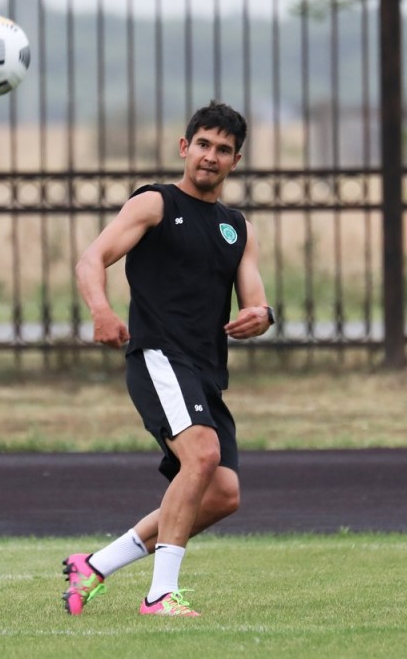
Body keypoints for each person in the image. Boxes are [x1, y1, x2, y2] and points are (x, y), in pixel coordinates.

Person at [62, 100, 274, 618]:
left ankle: (94, 566)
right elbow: (92, 258)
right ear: (185, 147)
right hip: (159, 356)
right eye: (203, 144)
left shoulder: (236, 228)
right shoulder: (154, 204)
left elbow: (257, 300)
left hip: (204, 371)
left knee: (223, 493)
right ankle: (160, 595)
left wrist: (262, 316)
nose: (210, 156)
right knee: (200, 457)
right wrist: (101, 310)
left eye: (223, 150)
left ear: (235, 161)